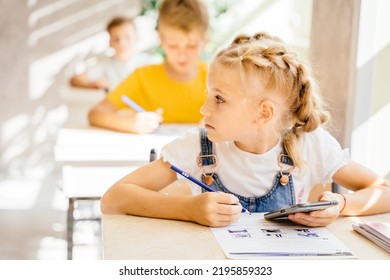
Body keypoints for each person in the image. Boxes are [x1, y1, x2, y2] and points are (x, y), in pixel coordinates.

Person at [100, 31, 390, 227]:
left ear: (263, 113)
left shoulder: (309, 145)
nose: (204, 109)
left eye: (219, 99)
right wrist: (188, 210)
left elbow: (383, 191)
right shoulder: (198, 146)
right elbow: (113, 198)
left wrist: (341, 204)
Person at [88, 0, 209, 134]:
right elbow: (95, 114)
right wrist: (130, 124)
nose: (182, 55)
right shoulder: (143, 77)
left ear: (205, 40)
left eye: (191, 46)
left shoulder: (215, 79)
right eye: (173, 46)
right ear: (161, 39)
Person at [69, 16, 154, 91]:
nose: (121, 43)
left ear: (137, 38)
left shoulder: (149, 63)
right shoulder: (104, 63)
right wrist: (92, 85)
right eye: (116, 39)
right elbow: (75, 79)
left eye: (127, 37)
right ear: (110, 42)